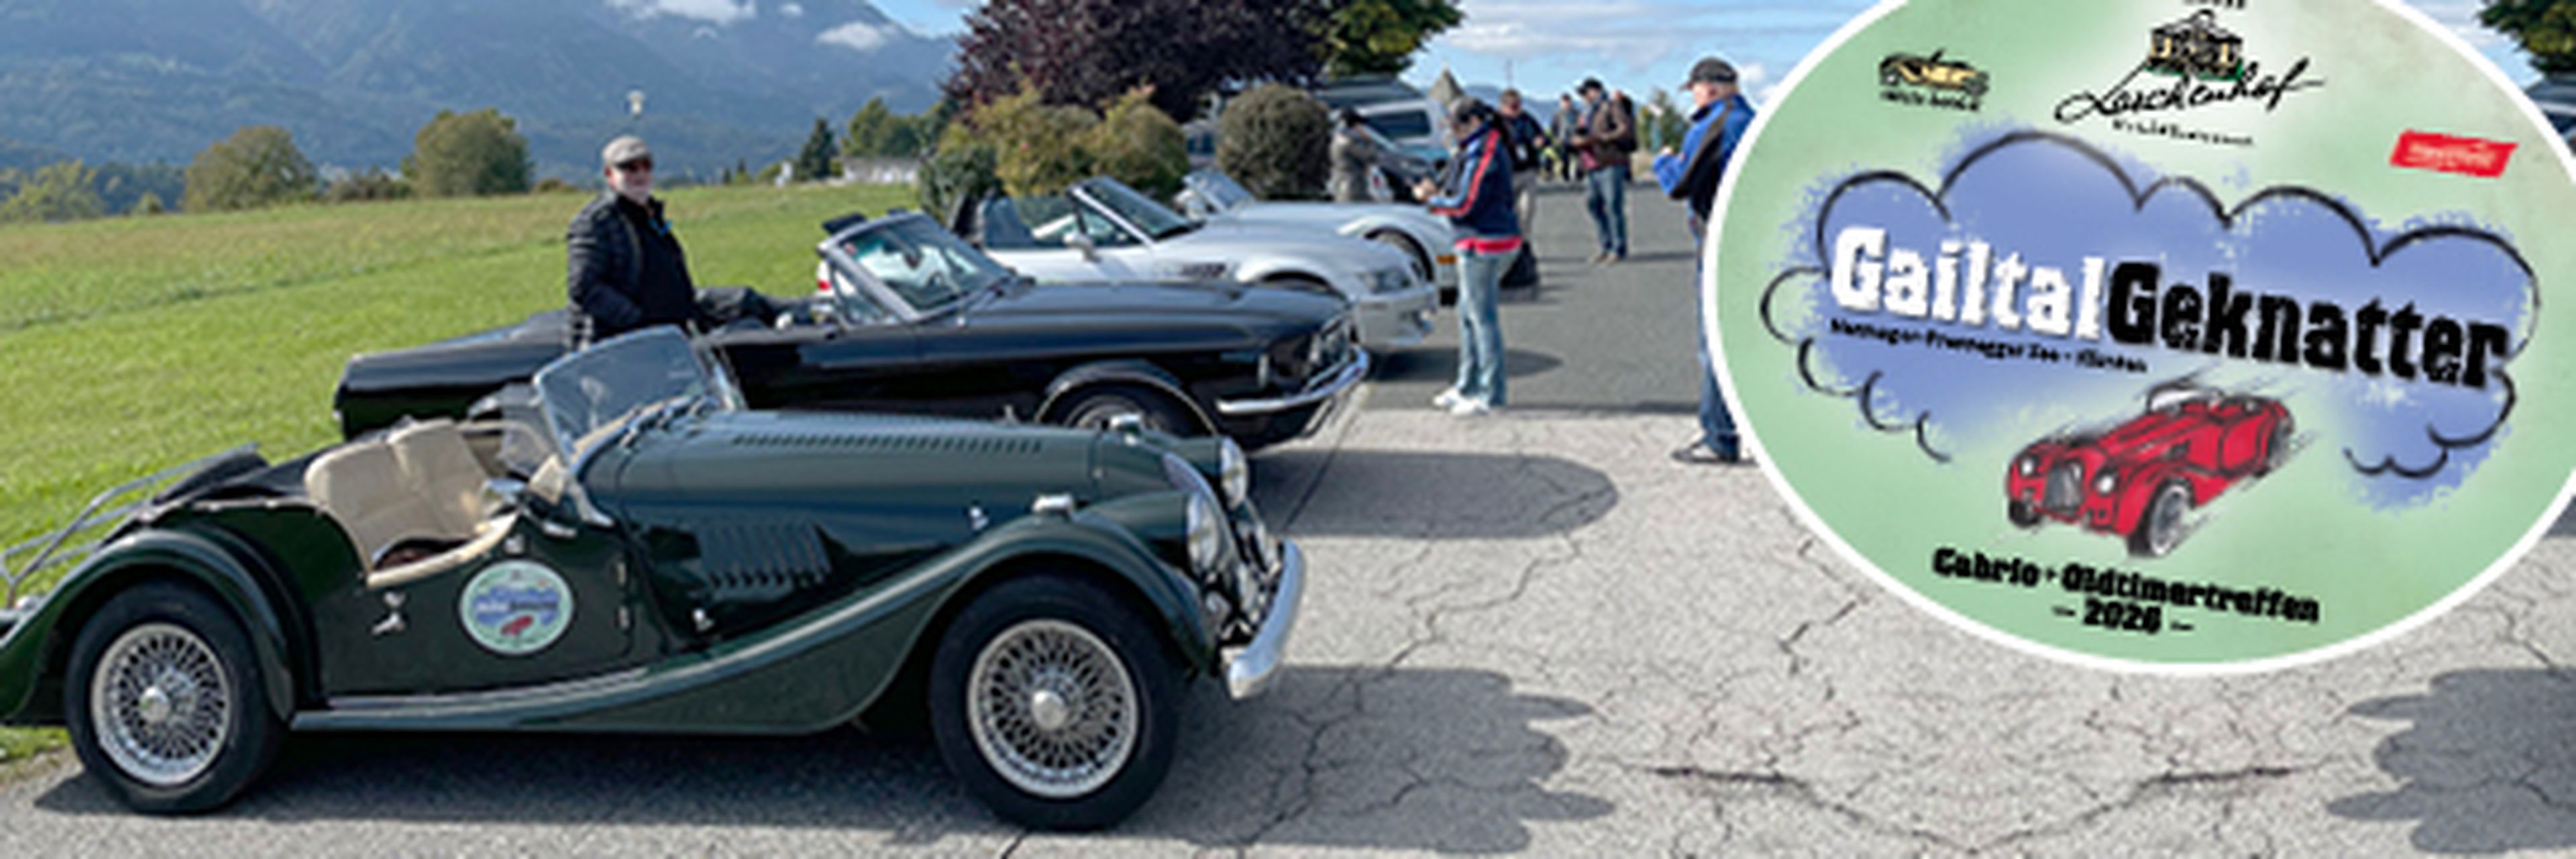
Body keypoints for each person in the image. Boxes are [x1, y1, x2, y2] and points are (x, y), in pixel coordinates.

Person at [1654, 57, 1757, 464]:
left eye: (1694, 89)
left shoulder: (1714, 125)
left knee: (1713, 342)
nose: (1693, 97)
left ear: (1708, 87)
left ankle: (1719, 434)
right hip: (1750, 237)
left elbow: (1681, 183)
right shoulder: (1752, 120)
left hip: (1718, 238)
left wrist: (1664, 160)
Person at [1415, 99, 1521, 417]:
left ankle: (1491, 394)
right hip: (1476, 240)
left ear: (1474, 122)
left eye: (1457, 126)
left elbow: (1465, 204)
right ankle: (1467, 385)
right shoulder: (1475, 148)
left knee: (1482, 318)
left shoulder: (1484, 152)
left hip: (1485, 242)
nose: (1454, 133)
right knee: (1467, 315)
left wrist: (1431, 200)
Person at [566, 136, 714, 346]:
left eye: (646, 167)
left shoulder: (650, 216)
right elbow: (584, 287)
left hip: (666, 341)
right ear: (609, 174)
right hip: (619, 348)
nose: (640, 175)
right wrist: (638, 322)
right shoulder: (596, 221)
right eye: (629, 168)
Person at [1566, 79, 1637, 264]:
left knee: (1613, 205)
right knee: (1593, 205)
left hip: (1611, 161)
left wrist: (1597, 139)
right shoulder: (1585, 112)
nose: (1583, 97)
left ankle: (1618, 247)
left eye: (1585, 93)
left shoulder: (1611, 107)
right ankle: (1604, 245)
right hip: (1591, 164)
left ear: (1595, 91)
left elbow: (1624, 130)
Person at [1495, 89, 1551, 236]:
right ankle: (1510, 239)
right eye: (1513, 106)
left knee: (1527, 209)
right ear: (1504, 106)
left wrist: (1541, 142)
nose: (1517, 109)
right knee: (1509, 211)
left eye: (1519, 105)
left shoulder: (1527, 119)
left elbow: (1543, 137)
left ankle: (1524, 241)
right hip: (1507, 173)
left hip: (1527, 170)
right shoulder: (1496, 123)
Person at [1328, 109, 1379, 203]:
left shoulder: (1339, 139)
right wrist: (1369, 141)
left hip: (1344, 183)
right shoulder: (1348, 143)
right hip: (1352, 186)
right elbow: (1371, 156)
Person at [1548, 93, 1584, 183]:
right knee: (1565, 159)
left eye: (1568, 102)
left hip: (1576, 139)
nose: (1566, 104)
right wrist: (1556, 138)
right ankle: (1565, 176)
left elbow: (1582, 126)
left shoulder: (1577, 113)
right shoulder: (1557, 115)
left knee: (1580, 159)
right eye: (1564, 102)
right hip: (1563, 140)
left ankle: (1579, 176)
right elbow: (1554, 127)